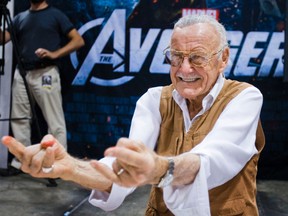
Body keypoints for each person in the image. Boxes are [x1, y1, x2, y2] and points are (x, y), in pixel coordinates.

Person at [1, 14, 265, 215]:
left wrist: (160, 169)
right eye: (175, 57)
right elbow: (122, 174)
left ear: (223, 58)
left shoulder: (245, 97)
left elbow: (215, 162)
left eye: (197, 57)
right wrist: (72, 168)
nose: (184, 69)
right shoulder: (153, 100)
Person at [0, 0, 85, 163]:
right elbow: (2, 39)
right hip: (22, 72)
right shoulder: (20, 17)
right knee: (19, 118)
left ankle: (58, 162)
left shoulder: (55, 15)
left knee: (54, 121)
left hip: (46, 72)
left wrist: (55, 53)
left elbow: (78, 40)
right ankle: (24, 161)